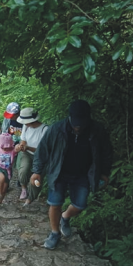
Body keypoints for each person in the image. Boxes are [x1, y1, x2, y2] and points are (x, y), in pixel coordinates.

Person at [31, 99, 112, 250]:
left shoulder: (97, 130)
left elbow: (106, 153)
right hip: (59, 172)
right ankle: (55, 233)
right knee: (55, 204)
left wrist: (105, 173)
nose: (78, 126)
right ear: (69, 117)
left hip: (83, 174)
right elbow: (42, 151)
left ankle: (65, 217)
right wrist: (37, 171)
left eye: (81, 123)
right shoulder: (57, 129)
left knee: (80, 204)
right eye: (75, 123)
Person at [16, 107, 49, 206]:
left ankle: (30, 198)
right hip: (27, 154)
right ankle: (24, 188)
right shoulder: (26, 127)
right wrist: (21, 146)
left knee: (36, 179)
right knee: (23, 170)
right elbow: (23, 139)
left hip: (40, 157)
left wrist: (28, 147)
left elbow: (43, 150)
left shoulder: (45, 129)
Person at [0, 133, 17, 205]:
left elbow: (17, 148)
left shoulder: (12, 150)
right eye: (3, 147)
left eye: (7, 147)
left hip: (8, 171)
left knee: (5, 188)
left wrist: (19, 146)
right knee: (1, 178)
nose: (5, 149)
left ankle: (0, 200)